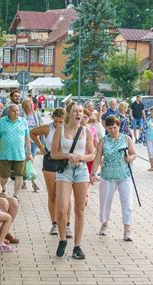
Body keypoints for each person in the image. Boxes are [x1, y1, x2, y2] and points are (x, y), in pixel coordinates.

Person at [51, 103, 95, 259]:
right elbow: (54, 154)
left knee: (80, 209)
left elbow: (92, 154)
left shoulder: (85, 131)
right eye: (76, 111)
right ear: (69, 113)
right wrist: (68, 156)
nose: (79, 114)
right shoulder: (60, 130)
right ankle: (62, 239)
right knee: (62, 208)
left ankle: (77, 246)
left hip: (81, 171)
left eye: (81, 111)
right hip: (65, 171)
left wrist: (81, 157)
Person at [90, 115, 137, 241]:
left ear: (119, 126)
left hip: (124, 175)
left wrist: (130, 158)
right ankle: (104, 224)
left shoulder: (126, 138)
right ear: (106, 128)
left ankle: (127, 230)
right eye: (110, 128)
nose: (113, 130)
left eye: (115, 127)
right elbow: (98, 158)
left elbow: (134, 153)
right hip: (107, 175)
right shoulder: (103, 140)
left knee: (127, 203)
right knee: (105, 202)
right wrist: (93, 173)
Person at [30, 109, 73, 237]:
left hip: (65, 162)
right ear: (52, 119)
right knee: (52, 194)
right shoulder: (47, 128)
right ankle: (54, 223)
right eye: (55, 121)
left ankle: (67, 225)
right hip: (50, 161)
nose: (58, 124)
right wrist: (41, 147)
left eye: (61, 122)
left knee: (66, 196)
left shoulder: (69, 128)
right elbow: (32, 133)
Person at [0, 104, 33, 199]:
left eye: (17, 111)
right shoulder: (2, 121)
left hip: (19, 155)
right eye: (13, 111)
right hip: (5, 155)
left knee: (19, 176)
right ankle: (2, 190)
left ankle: (15, 196)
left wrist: (30, 153)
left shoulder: (23, 122)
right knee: (4, 176)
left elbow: (27, 138)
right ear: (9, 112)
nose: (16, 113)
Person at [22, 98, 43, 192]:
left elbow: (41, 124)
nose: (31, 106)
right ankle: (33, 183)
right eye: (29, 104)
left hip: (34, 140)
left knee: (30, 160)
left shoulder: (36, 114)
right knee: (28, 160)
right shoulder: (23, 115)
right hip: (25, 140)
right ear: (25, 106)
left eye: (32, 104)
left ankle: (22, 179)